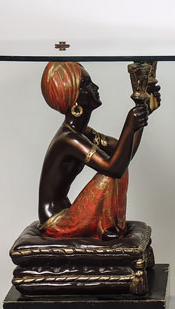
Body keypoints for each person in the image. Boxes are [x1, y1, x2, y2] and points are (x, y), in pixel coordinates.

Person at [37, 61, 159, 240]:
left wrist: (143, 113)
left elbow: (124, 153)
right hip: (56, 224)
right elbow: (115, 168)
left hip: (67, 213)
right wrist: (129, 125)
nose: (95, 87)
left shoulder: (80, 133)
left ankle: (112, 228)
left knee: (117, 163)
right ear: (73, 98)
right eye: (86, 84)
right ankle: (109, 228)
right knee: (110, 173)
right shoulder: (69, 140)